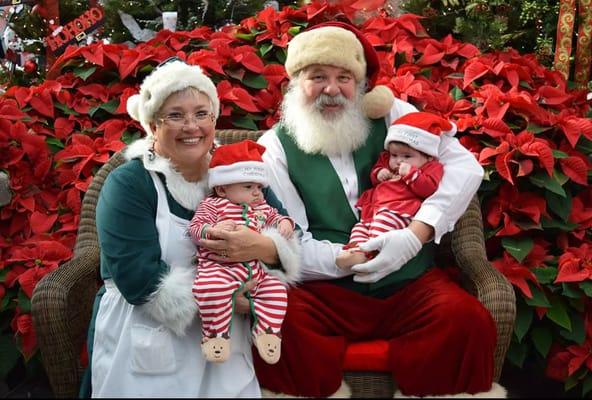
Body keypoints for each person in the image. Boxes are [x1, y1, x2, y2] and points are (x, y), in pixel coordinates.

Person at [249, 21, 505, 397]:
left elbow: (465, 167)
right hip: (326, 291)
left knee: (466, 321)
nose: (332, 89)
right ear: (295, 83)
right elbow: (289, 235)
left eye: (344, 77)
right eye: (317, 76)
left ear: (361, 84)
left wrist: (416, 234)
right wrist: (343, 260)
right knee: (278, 321)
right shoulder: (274, 146)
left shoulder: (393, 115)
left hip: (408, 281)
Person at [82, 58, 301, 397]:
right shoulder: (129, 184)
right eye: (175, 115)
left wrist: (260, 250)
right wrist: (230, 297)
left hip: (224, 340)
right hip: (148, 334)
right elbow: (138, 279)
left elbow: (288, 235)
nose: (191, 126)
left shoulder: (239, 172)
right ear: (152, 125)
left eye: (202, 114)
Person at [189, 140, 298, 365]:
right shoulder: (213, 206)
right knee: (210, 290)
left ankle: (267, 332)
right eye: (248, 187)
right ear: (222, 188)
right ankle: (215, 336)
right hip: (220, 268)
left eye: (259, 187)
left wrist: (285, 222)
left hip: (256, 271)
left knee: (277, 291)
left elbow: (276, 217)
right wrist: (212, 229)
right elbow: (195, 228)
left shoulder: (262, 208)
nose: (257, 193)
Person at [336, 112, 451, 269]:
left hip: (400, 210)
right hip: (374, 209)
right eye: (394, 155)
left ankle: (375, 253)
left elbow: (429, 188)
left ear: (428, 156)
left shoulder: (432, 167)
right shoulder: (387, 161)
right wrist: (379, 173)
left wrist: (411, 173)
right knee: (361, 227)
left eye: (407, 156)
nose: (399, 160)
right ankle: (356, 251)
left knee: (383, 223)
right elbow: (375, 172)